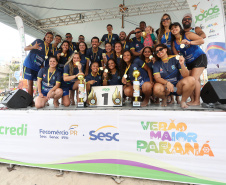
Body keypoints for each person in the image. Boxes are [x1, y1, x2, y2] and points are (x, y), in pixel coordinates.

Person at [170, 22, 207, 106]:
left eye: (176, 27)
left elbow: (201, 40)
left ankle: (197, 101)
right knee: (190, 80)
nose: (174, 29)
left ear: (180, 28)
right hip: (188, 62)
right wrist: (180, 58)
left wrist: (190, 42)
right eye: (172, 29)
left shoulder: (187, 34)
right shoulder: (173, 42)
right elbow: (177, 55)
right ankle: (193, 99)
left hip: (199, 57)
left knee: (194, 78)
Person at [153, 44, 195, 108]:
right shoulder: (157, 63)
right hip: (166, 88)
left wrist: (182, 65)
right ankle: (164, 98)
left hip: (177, 88)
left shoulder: (176, 58)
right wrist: (167, 83)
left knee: (191, 79)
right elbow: (157, 78)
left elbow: (186, 75)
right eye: (157, 51)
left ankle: (183, 101)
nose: (159, 52)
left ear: (166, 49)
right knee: (156, 88)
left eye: (161, 49)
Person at [23, 32, 53, 104]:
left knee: (41, 83)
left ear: (52, 39)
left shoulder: (50, 48)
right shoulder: (38, 41)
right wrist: (33, 47)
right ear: (45, 37)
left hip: (38, 67)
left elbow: (45, 59)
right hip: (29, 65)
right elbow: (25, 48)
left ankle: (41, 99)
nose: (49, 39)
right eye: (48, 37)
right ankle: (30, 102)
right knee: (30, 83)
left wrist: (43, 68)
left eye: (51, 38)